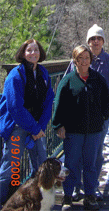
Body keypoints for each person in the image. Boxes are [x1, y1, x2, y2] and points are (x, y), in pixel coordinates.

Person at [64, 24, 109, 202]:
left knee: (95, 154)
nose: (95, 41)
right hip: (77, 120)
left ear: (103, 41)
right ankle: (74, 188)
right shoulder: (78, 60)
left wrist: (108, 112)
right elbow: (65, 86)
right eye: (92, 39)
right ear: (88, 42)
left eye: (99, 38)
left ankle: (92, 188)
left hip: (99, 120)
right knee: (75, 154)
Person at [52, 44, 109, 211]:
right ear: (75, 61)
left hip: (94, 131)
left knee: (91, 164)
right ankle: (68, 196)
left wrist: (103, 117)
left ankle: (90, 195)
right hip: (73, 131)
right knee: (71, 164)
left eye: (87, 58)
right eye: (80, 58)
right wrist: (59, 125)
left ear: (90, 60)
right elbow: (59, 105)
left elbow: (107, 101)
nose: (84, 61)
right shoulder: (67, 81)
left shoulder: (98, 79)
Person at [0, 39, 54, 206]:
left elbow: (48, 101)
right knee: (12, 169)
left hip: (36, 128)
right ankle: (4, 202)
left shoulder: (43, 73)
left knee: (42, 166)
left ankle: (36, 202)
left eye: (36, 50)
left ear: (40, 53)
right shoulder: (15, 75)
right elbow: (15, 107)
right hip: (18, 127)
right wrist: (34, 128)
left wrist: (40, 127)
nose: (33, 53)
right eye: (29, 50)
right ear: (23, 53)